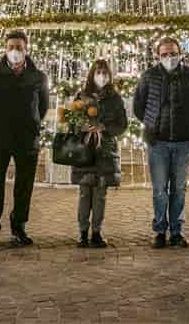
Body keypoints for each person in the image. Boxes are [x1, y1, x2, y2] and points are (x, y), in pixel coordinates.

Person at [0, 30, 50, 251]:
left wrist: (32, 124)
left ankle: (18, 227)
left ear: (26, 49)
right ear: (5, 49)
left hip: (27, 140)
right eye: (11, 47)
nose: (15, 52)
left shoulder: (38, 77)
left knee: (24, 187)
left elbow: (43, 107)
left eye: (19, 47)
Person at [133, 37, 189, 249]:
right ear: (157, 55)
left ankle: (177, 231)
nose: (169, 57)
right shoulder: (149, 76)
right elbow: (139, 106)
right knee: (159, 189)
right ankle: (159, 231)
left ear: (180, 53)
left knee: (179, 188)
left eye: (173, 53)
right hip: (158, 142)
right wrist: (152, 124)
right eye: (165, 54)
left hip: (184, 142)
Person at [70, 59, 127, 248]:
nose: (101, 76)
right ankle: (82, 232)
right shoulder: (82, 96)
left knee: (100, 194)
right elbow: (72, 122)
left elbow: (122, 124)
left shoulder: (115, 98)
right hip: (85, 152)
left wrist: (104, 127)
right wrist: (83, 126)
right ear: (92, 74)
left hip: (105, 151)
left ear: (109, 76)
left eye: (104, 72)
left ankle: (97, 232)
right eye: (98, 72)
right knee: (85, 193)